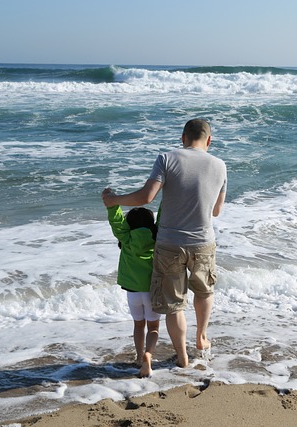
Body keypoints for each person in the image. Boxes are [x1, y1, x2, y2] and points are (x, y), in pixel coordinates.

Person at [102, 119, 227, 368]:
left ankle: (182, 356)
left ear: (183, 138)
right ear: (209, 141)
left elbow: (146, 196)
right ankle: (201, 338)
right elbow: (216, 211)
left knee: (173, 304)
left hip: (170, 243)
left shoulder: (167, 158)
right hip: (203, 241)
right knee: (204, 292)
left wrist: (113, 200)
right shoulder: (220, 165)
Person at [102, 195, 160, 378]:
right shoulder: (156, 235)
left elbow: (116, 221)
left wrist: (112, 204)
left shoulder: (125, 237)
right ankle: (148, 355)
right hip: (152, 291)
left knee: (138, 325)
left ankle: (138, 356)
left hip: (133, 292)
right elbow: (166, 216)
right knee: (153, 328)